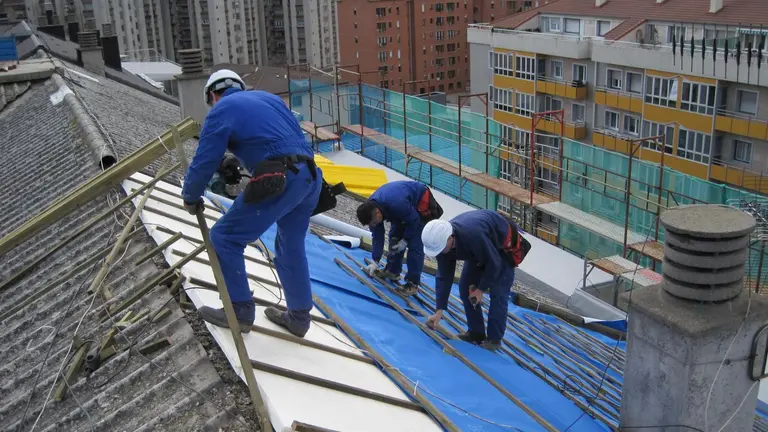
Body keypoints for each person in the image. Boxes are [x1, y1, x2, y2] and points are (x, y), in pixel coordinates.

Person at [181, 69, 322, 338]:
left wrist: (190, 196)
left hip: (280, 177)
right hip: (311, 178)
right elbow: (271, 138)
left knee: (224, 236)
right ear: (240, 87)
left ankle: (240, 311)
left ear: (212, 95)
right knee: (289, 244)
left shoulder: (221, 110)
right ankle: (299, 318)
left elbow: (204, 161)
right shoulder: (270, 100)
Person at [421, 210, 529, 351]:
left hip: (501, 252)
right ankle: (476, 332)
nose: (440, 253)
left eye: (441, 249)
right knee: (465, 286)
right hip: (478, 251)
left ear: (450, 238)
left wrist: (481, 289)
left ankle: (494, 340)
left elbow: (494, 263)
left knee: (498, 294)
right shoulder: (442, 246)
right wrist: (439, 310)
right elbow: (443, 276)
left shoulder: (473, 235)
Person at [357, 181, 443, 296]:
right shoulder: (371, 210)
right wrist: (375, 260)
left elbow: (414, 221)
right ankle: (393, 271)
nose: (373, 225)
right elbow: (377, 236)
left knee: (415, 245)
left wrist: (405, 240)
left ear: (378, 213)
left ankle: (412, 283)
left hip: (419, 207)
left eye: (373, 222)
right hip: (403, 208)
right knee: (394, 238)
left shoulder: (396, 204)